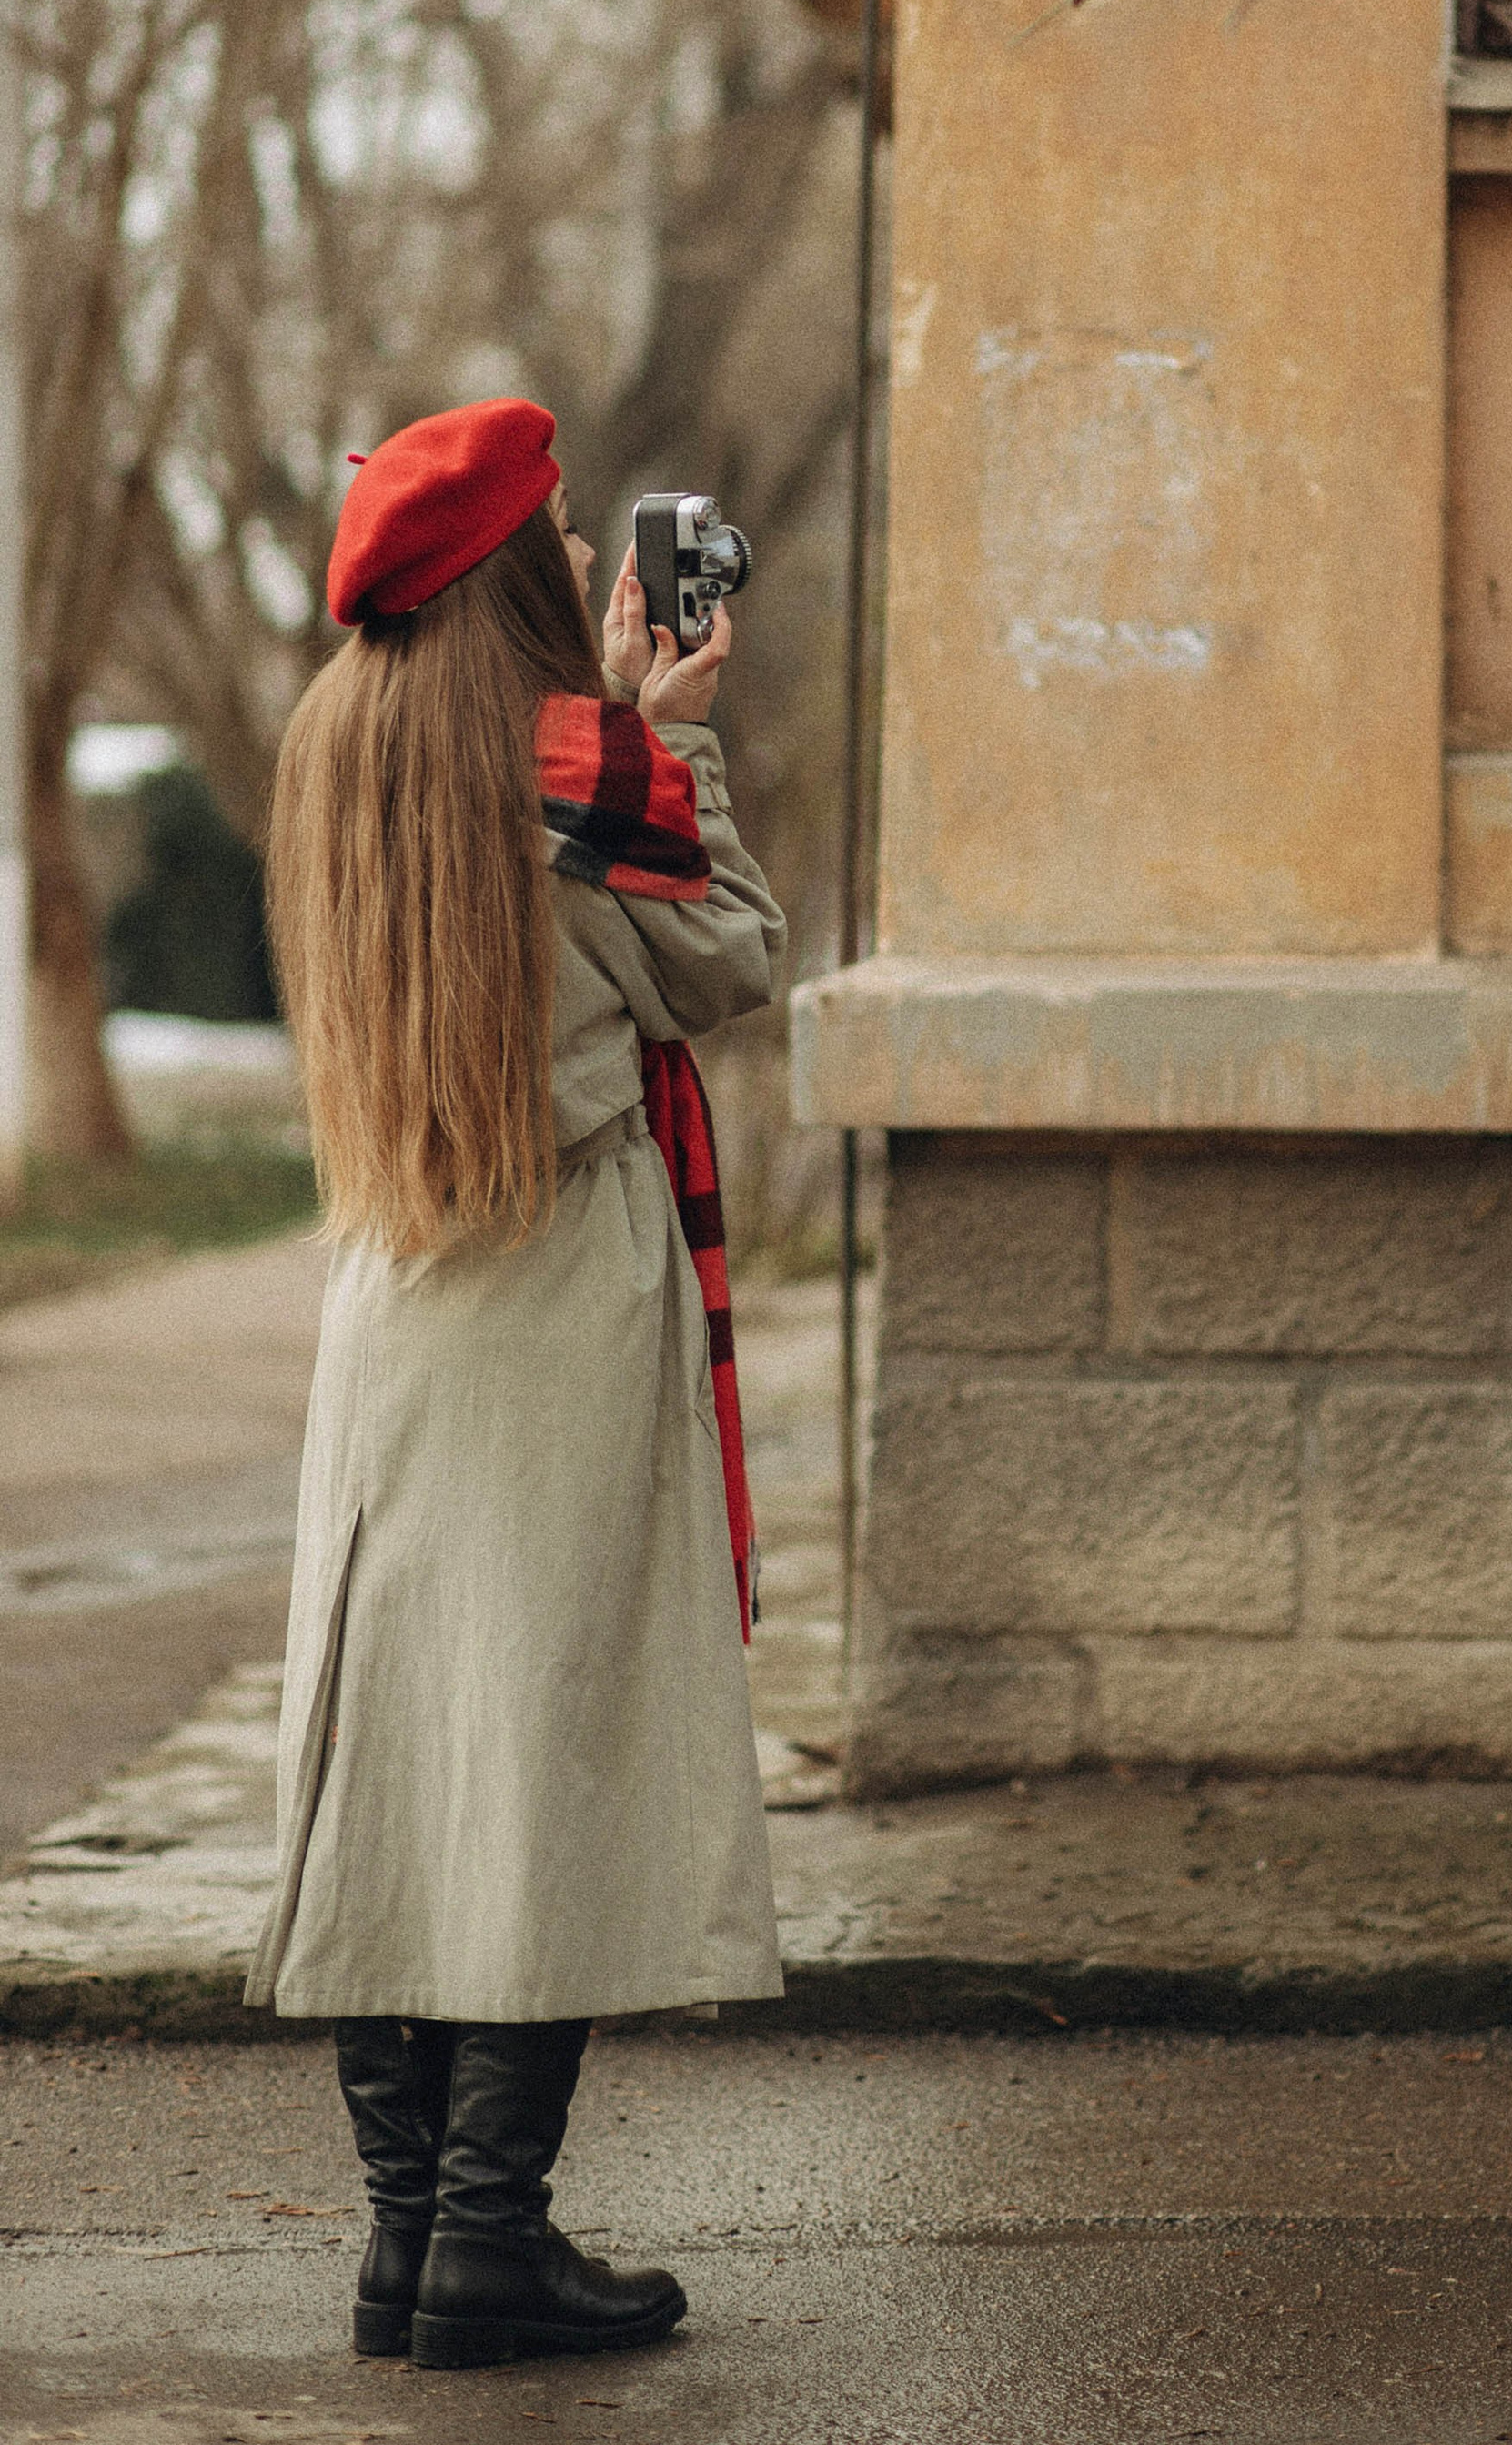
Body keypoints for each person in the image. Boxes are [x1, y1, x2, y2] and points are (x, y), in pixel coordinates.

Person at [246, 397, 787, 2371]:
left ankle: (407, 2244)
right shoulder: (578, 763)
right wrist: (675, 733)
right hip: (562, 1291)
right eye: (559, 539)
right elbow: (728, 961)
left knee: (394, 1752)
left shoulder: (336, 747)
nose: (585, 562)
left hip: (394, 1294)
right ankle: (489, 2235)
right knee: (539, 1757)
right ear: (499, 579)